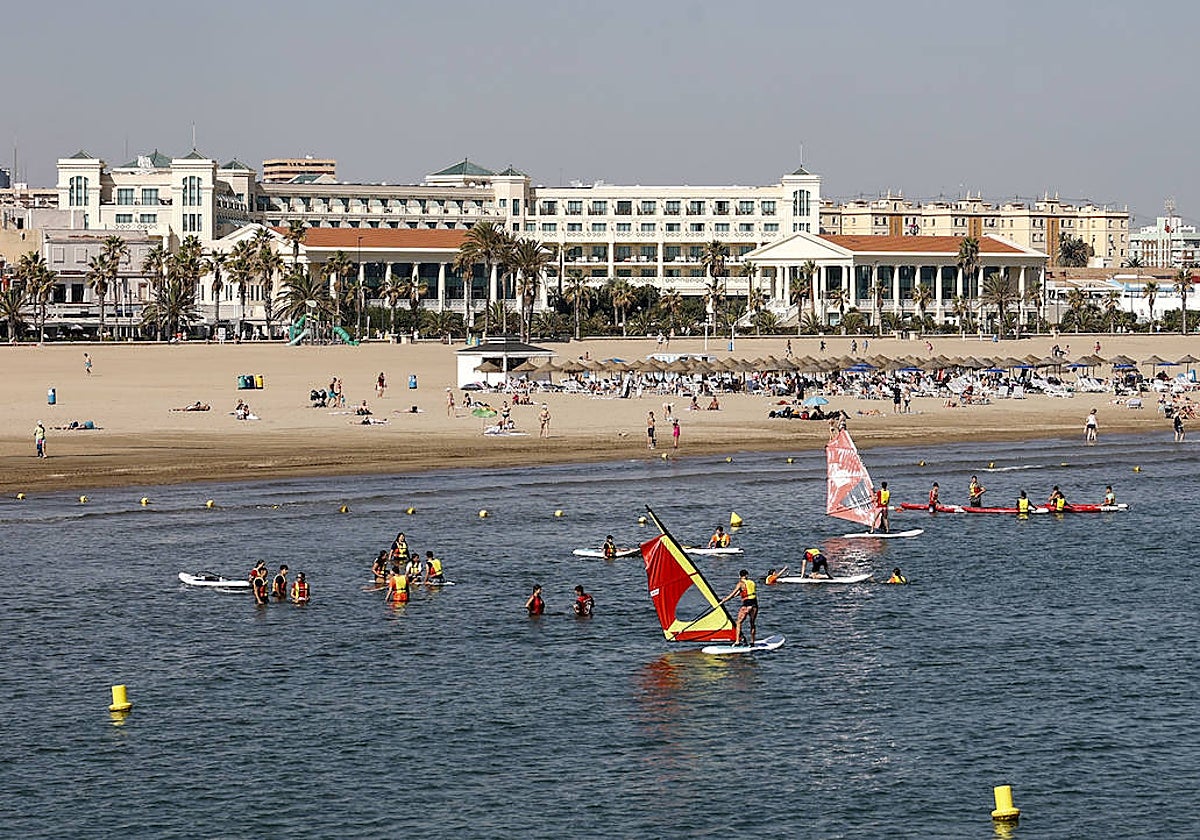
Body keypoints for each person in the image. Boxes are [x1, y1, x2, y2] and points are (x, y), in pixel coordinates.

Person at [718, 570, 758, 646]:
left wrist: (724, 601)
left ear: (739, 576)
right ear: (747, 575)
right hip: (754, 605)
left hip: (746, 605)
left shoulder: (740, 584)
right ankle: (752, 642)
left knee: (738, 623)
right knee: (752, 623)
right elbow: (741, 593)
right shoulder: (752, 583)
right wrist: (728, 598)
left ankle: (737, 641)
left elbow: (732, 594)